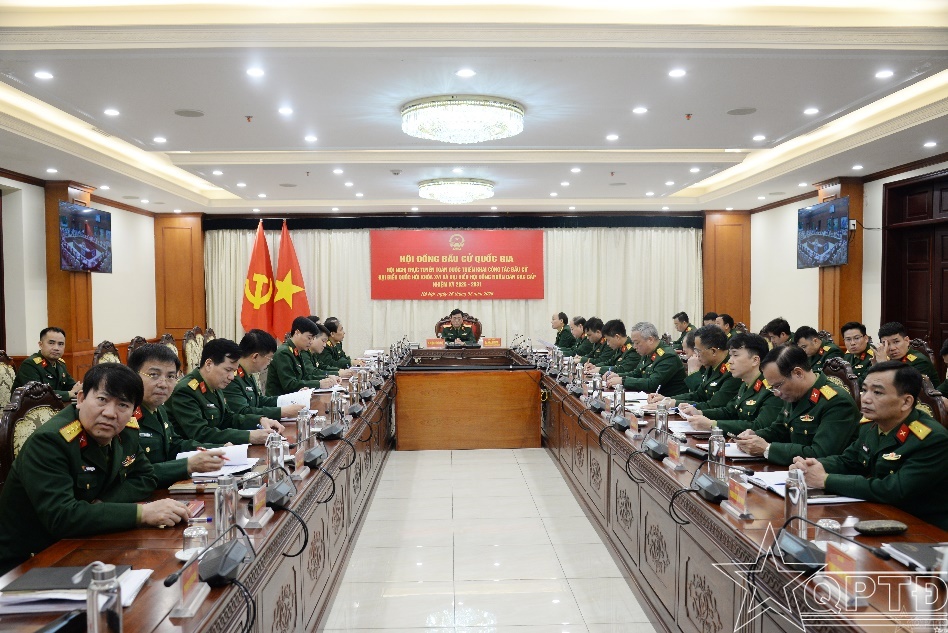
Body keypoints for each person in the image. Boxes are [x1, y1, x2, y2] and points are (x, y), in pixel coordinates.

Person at [0, 363, 190, 575]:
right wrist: (141, 513)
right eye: (102, 400)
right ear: (81, 399)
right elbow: (62, 517)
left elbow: (146, 476)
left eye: (123, 405)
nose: (110, 413)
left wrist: (102, 504)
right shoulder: (50, 441)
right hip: (32, 560)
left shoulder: (126, 431)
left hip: (86, 541)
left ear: (134, 411)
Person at [791, 362, 948, 530]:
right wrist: (812, 466)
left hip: (925, 528)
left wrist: (826, 480)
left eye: (877, 392)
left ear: (906, 402)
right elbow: (849, 461)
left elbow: (893, 489)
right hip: (881, 514)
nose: (865, 398)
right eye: (864, 390)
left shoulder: (932, 439)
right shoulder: (871, 425)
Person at [735, 344, 860, 465]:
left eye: (777, 385)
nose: (776, 393)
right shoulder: (793, 393)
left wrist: (767, 449)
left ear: (798, 373)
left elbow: (820, 453)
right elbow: (779, 430)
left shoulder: (836, 402)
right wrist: (754, 436)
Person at [128, 344, 227, 487]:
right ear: (133, 375)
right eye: (154, 375)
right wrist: (187, 465)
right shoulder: (125, 416)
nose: (163, 384)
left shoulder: (159, 408)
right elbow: (135, 474)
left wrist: (218, 449)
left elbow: (174, 445)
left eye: (170, 376)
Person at [168, 338, 283, 444]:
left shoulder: (214, 384)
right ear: (209, 364)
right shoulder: (186, 391)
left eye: (233, 371)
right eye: (228, 370)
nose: (232, 377)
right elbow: (201, 434)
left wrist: (260, 420)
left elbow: (228, 418)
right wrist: (249, 436)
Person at [680, 333, 782, 435]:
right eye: (730, 356)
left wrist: (713, 424)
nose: (729, 361)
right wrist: (699, 412)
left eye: (735, 355)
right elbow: (729, 411)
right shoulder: (746, 384)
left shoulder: (771, 389)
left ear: (755, 360)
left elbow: (758, 427)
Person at [223, 329, 306, 426]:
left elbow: (259, 401)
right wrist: (282, 412)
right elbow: (243, 412)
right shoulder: (232, 378)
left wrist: (293, 398)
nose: (270, 362)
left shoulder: (247, 373)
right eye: (269, 358)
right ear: (255, 357)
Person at [648, 325, 740, 410]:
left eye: (698, 351)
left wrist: (673, 404)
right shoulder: (713, 364)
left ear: (713, 351)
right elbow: (698, 395)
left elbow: (713, 405)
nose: (696, 354)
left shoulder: (732, 371)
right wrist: (667, 399)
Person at [604, 322, 687, 396]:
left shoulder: (668, 356)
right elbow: (637, 373)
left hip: (667, 403)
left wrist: (623, 380)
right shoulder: (648, 352)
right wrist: (618, 376)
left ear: (650, 340)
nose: (634, 346)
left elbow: (652, 384)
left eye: (637, 343)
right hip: (650, 399)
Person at [267, 317, 341, 395]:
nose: (311, 342)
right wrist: (319, 384)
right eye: (309, 338)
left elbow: (306, 376)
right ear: (297, 333)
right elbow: (289, 384)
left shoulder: (298, 351)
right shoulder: (284, 353)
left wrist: (327, 378)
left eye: (312, 339)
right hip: (281, 399)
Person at [13, 326, 80, 401]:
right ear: (40, 345)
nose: (56, 348)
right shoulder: (30, 364)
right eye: (51, 343)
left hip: (54, 405)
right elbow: (38, 393)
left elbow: (71, 386)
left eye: (60, 344)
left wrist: (81, 388)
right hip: (29, 407)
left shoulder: (60, 364)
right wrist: (69, 394)